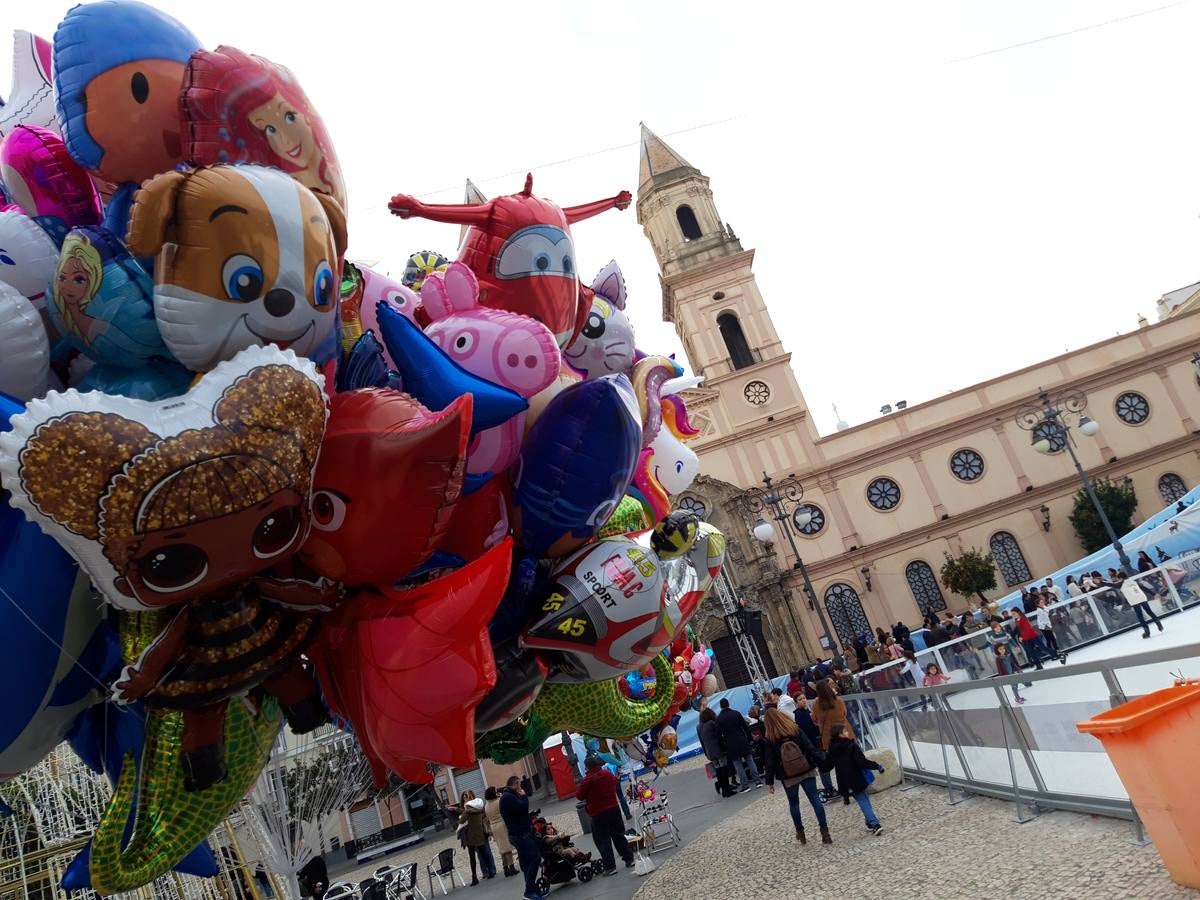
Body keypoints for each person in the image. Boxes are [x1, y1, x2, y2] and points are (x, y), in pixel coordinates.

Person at [761, 708, 830, 844]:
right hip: (806, 769)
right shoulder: (794, 729)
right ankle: (825, 832)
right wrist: (822, 762)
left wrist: (769, 782)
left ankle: (801, 833)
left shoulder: (770, 738)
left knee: (794, 804)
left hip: (788, 776)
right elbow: (810, 747)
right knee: (815, 800)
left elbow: (769, 762)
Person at [576, 756, 633, 875]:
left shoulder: (588, 780)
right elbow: (615, 783)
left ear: (587, 767)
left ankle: (610, 867)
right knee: (619, 835)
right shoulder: (607, 774)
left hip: (598, 813)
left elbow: (580, 796)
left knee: (603, 840)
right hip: (613, 808)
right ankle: (629, 859)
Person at [826, 723, 886, 835]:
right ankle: (875, 824)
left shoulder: (831, 749)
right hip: (858, 777)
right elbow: (861, 762)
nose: (847, 732)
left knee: (864, 799)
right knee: (864, 801)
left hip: (846, 781)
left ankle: (869, 822)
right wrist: (877, 766)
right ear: (840, 734)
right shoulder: (851, 746)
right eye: (845, 731)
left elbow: (828, 765)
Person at [499, 776, 542, 900]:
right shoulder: (508, 797)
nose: (521, 786)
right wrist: (524, 796)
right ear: (515, 784)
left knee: (526, 862)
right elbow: (522, 809)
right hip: (520, 834)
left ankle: (532, 889)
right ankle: (529, 891)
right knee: (535, 858)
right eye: (519, 784)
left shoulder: (508, 796)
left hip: (518, 833)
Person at [793, 695, 837, 801]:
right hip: (814, 743)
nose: (803, 700)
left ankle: (829, 788)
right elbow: (806, 729)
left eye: (804, 698)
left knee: (824, 765)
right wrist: (818, 726)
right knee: (823, 766)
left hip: (817, 742)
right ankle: (829, 789)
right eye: (800, 699)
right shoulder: (799, 714)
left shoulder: (806, 711)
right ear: (796, 702)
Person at [716, 698, 763, 790]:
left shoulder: (719, 719)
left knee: (738, 764)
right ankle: (758, 781)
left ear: (721, 706)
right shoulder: (736, 713)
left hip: (730, 743)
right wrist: (750, 739)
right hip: (742, 740)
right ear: (728, 704)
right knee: (750, 760)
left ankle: (745, 785)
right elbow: (745, 727)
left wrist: (723, 746)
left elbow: (718, 735)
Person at [459, 796, 496, 884]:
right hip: (479, 835)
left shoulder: (467, 812)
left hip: (471, 837)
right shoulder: (479, 811)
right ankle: (491, 871)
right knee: (484, 854)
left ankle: (474, 877)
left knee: (472, 857)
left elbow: (461, 821)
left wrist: (464, 813)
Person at [697, 707, 733, 797]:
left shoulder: (701, 727)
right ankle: (727, 789)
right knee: (724, 768)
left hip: (710, 752)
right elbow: (719, 735)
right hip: (718, 750)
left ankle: (723, 788)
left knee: (718, 770)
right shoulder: (712, 723)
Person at [483, 786, 517, 878]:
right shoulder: (498, 802)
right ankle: (512, 867)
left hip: (493, 827)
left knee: (501, 848)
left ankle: (505, 867)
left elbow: (486, 819)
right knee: (507, 847)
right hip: (502, 824)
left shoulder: (486, 806)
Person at [812, 678, 854, 751]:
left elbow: (815, 719)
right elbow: (845, 713)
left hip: (828, 737)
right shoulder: (838, 700)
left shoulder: (816, 704)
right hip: (844, 732)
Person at [1120, 572, 1165, 638]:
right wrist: (1153, 593)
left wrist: (1101, 582)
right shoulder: (1133, 582)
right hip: (1141, 598)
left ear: (1120, 578)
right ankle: (1158, 622)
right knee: (1149, 611)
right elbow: (1143, 588)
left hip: (1135, 601)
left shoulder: (1121, 584)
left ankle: (1147, 631)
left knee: (1140, 616)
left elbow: (1111, 585)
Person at [1033, 596, 1067, 662]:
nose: (1043, 603)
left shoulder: (1044, 608)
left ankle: (1057, 652)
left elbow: (1047, 611)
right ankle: (1053, 654)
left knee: (1052, 639)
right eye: (1041, 602)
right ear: (1038, 604)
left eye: (1043, 602)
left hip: (1047, 625)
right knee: (1049, 640)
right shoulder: (1039, 610)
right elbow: (1045, 614)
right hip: (1044, 626)